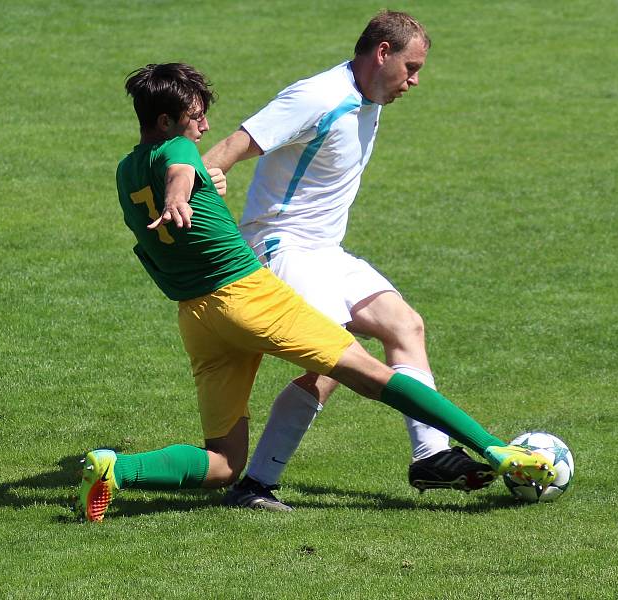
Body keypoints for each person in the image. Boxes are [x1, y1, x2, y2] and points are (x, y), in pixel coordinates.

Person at [75, 62, 555, 522]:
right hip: (249, 299)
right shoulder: (176, 154)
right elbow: (181, 166)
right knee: (370, 375)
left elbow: (160, 227)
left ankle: (115, 469)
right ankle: (494, 448)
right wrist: (181, 193)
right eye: (196, 117)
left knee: (222, 464)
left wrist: (194, 187)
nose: (203, 126)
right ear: (166, 121)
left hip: (197, 317)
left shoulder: (125, 171)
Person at [202, 11, 489, 511]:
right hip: (280, 245)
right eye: (412, 67)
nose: (415, 81)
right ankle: (255, 486)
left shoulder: (369, 95)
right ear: (382, 53)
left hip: (325, 252)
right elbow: (224, 151)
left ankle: (430, 456)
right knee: (331, 364)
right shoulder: (317, 97)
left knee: (405, 326)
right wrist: (206, 180)